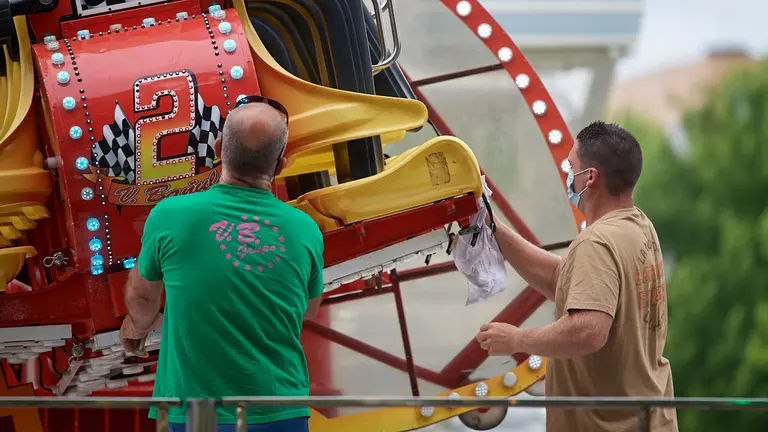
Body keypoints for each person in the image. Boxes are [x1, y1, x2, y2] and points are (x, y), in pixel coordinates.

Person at [119, 97, 325, 431]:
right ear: (281, 165)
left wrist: (136, 328)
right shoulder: (305, 230)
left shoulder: (170, 216)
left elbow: (143, 299)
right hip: (281, 412)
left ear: (218, 148)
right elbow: (309, 307)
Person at [475, 121, 677, 432]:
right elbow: (564, 281)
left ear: (590, 177)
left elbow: (588, 331)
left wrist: (517, 340)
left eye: (572, 167)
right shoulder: (638, 227)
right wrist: (492, 227)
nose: (568, 176)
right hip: (648, 419)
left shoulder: (596, 243)